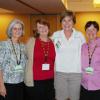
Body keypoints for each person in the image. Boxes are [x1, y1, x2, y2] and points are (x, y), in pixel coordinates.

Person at [52, 10, 86, 100]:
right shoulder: (55, 35)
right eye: (64, 20)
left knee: (74, 98)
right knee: (60, 98)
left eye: (69, 20)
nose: (66, 23)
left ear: (73, 22)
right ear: (61, 22)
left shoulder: (80, 36)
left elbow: (85, 54)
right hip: (60, 73)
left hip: (76, 73)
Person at [24, 19, 56, 100]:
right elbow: (25, 56)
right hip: (35, 81)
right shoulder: (31, 41)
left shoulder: (54, 42)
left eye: (45, 26)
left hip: (50, 80)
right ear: (37, 30)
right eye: (40, 27)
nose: (43, 28)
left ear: (48, 28)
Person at [0, 19, 27, 100]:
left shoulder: (23, 46)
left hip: (20, 83)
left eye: (20, 29)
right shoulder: (3, 45)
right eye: (15, 29)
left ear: (22, 31)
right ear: (10, 30)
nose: (17, 31)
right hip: (7, 84)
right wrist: (1, 86)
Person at [80, 21, 100, 100]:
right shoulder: (83, 46)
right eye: (88, 30)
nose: (90, 32)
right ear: (85, 32)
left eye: (93, 29)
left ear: (97, 31)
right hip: (84, 85)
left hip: (97, 86)